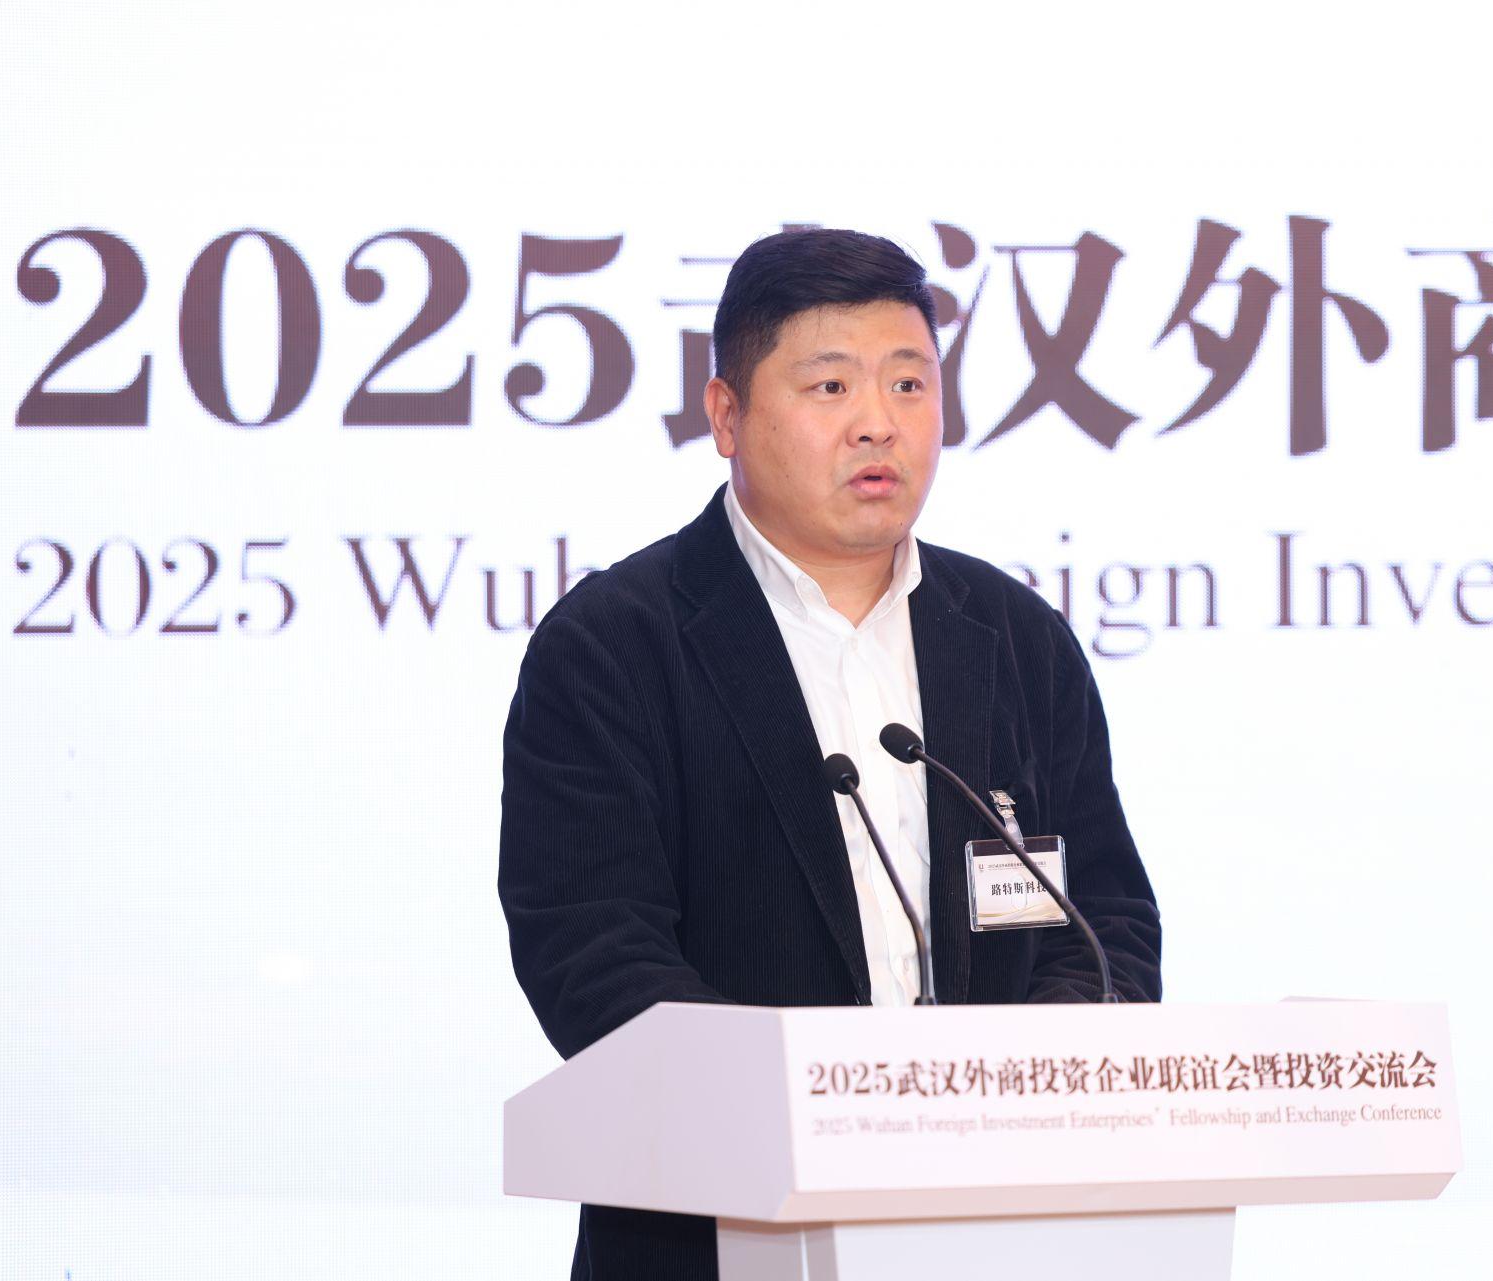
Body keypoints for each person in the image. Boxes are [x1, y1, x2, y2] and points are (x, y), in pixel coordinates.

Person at [498, 227, 1161, 1279]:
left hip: (1000, 1235)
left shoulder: (1014, 637)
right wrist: (830, 1116)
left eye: (909, 383)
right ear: (726, 416)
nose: (878, 423)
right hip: (716, 1237)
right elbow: (592, 954)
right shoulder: (616, 645)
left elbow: (1106, 924)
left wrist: (1022, 1094)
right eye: (831, 386)